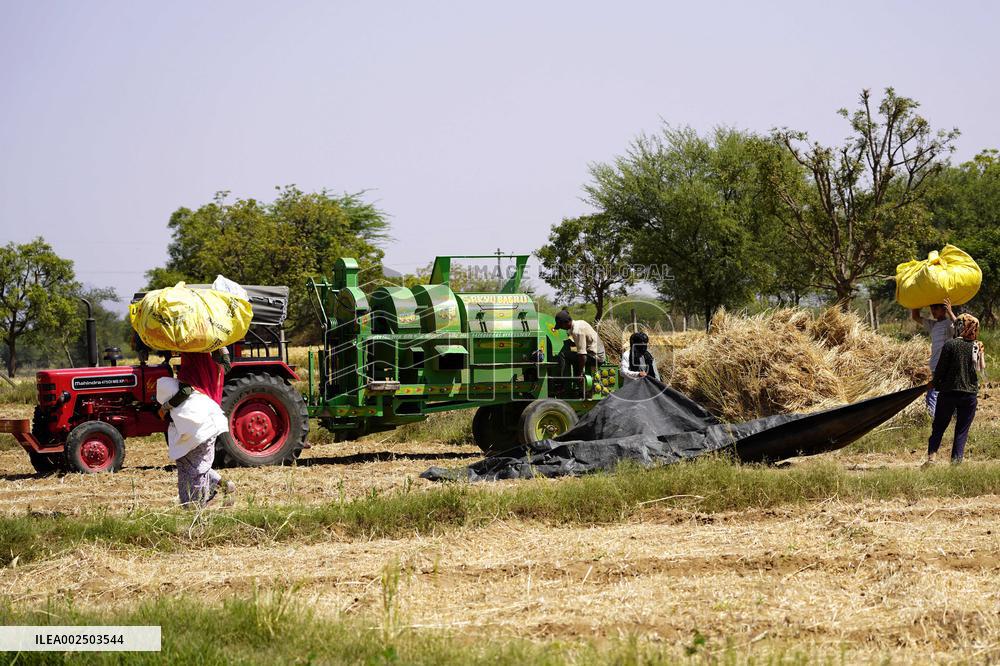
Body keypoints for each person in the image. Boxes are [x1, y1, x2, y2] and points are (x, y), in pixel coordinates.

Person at [157, 351, 235, 506]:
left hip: (199, 424)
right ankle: (224, 484)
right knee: (200, 463)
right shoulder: (216, 368)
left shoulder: (191, 370)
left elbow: (186, 391)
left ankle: (196, 506)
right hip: (212, 420)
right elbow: (226, 365)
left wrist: (165, 407)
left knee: (191, 466)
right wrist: (223, 348)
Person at [924, 313, 985, 466]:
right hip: (969, 394)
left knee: (939, 426)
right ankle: (956, 463)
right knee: (961, 430)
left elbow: (941, 369)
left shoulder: (950, 344)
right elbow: (981, 368)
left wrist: (934, 383)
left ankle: (932, 458)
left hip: (948, 393)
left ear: (958, 327)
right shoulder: (977, 345)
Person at [911, 298, 957, 415]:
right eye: (932, 308)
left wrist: (950, 312)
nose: (933, 311)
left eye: (936, 308)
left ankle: (932, 418)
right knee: (946, 392)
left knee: (933, 393)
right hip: (936, 365)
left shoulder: (949, 324)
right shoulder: (933, 325)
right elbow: (916, 317)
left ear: (944, 309)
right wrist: (916, 302)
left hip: (946, 365)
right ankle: (951, 415)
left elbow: (960, 328)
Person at [553, 309, 606, 377]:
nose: (561, 328)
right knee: (574, 356)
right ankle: (576, 380)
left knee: (563, 355)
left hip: (596, 358)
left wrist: (580, 373)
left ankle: (565, 381)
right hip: (598, 354)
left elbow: (582, 355)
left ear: (565, 323)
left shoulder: (577, 331)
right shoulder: (580, 322)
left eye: (561, 326)